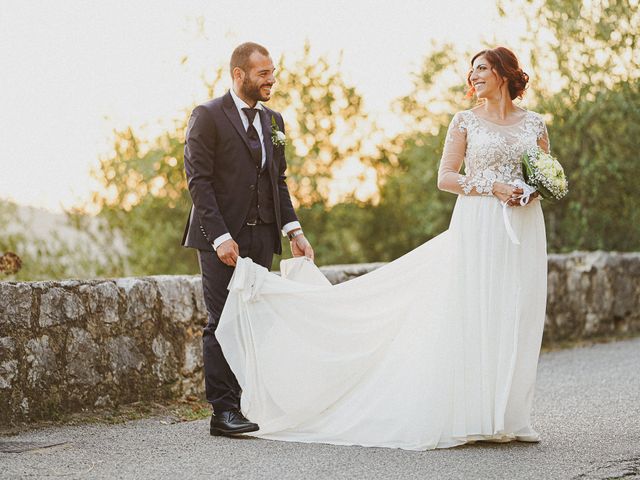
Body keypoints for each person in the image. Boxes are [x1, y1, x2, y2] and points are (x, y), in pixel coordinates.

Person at [215, 46, 550, 450]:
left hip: (523, 226)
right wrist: (491, 187)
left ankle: (512, 414)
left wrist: (530, 193)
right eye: (472, 70)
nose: (474, 76)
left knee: (517, 312)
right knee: (475, 313)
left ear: (504, 73)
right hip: (478, 224)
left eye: (482, 68)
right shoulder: (464, 121)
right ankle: (479, 414)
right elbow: (446, 177)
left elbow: (544, 175)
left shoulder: (534, 124)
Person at [181, 42, 314, 437]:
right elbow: (198, 183)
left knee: (255, 321)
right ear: (239, 75)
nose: (271, 79)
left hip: (262, 237)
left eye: (272, 71)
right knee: (222, 321)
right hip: (222, 239)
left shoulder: (275, 121)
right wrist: (220, 236)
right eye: (263, 73)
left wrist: (294, 230)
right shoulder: (207, 116)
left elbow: (278, 181)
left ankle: (249, 402)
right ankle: (223, 412)